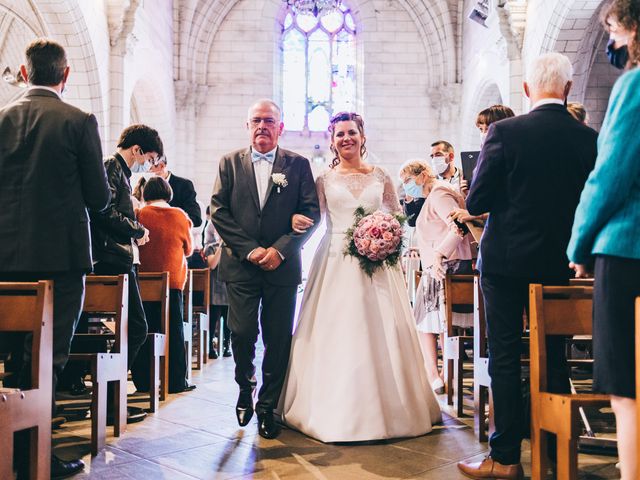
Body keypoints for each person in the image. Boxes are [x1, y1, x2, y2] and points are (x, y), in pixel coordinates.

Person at [457, 52, 598, 480]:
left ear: (526, 90)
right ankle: (552, 450)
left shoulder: (504, 132)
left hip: (504, 263)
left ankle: (505, 459)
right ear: (568, 89)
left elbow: (477, 202)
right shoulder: (588, 138)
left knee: (504, 354)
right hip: (559, 262)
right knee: (553, 354)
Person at [281, 112, 442, 443]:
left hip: (378, 265)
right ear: (333, 140)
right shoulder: (324, 178)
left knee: (381, 329)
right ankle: (334, 411)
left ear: (362, 136)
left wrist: (387, 237)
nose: (346, 139)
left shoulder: (380, 175)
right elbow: (316, 217)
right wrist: (296, 222)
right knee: (338, 328)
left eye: (351, 132)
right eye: (339, 134)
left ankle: (394, 408)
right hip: (335, 259)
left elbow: (396, 216)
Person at [0, 38, 110, 479]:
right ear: (66, 76)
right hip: (60, 260)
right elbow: (100, 199)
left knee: (8, 354)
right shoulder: (78, 120)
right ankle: (35, 454)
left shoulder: (1, 118)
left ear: (24, 74)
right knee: (47, 357)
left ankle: (8, 449)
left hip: (4, 258)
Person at [210, 99, 321, 439]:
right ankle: (246, 386)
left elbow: (311, 213)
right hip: (242, 267)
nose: (262, 126)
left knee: (277, 339)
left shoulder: (298, 165)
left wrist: (280, 250)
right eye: (256, 120)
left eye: (269, 120)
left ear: (280, 127)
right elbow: (218, 210)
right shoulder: (229, 163)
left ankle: (267, 406)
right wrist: (253, 250)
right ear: (247, 126)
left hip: (282, 268)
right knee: (242, 334)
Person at [567, 3, 640, 478]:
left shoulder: (634, 85)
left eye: (613, 29)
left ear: (634, 27)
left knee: (626, 382)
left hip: (627, 247)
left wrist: (578, 246)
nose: (611, 42)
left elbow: (609, 174)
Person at [89, 124, 163, 419]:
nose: (150, 165)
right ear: (137, 150)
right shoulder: (112, 166)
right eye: (150, 157)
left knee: (118, 330)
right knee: (135, 328)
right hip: (111, 259)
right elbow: (102, 210)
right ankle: (108, 401)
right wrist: (138, 228)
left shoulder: (120, 172)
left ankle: (108, 399)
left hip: (117, 259)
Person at [400, 160, 473, 394]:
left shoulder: (440, 192)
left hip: (445, 264)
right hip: (442, 263)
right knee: (436, 321)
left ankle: (437, 374)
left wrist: (441, 253)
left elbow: (458, 226)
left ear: (422, 176)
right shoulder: (436, 193)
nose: (407, 186)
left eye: (408, 180)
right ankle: (440, 374)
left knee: (430, 321)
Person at [134, 176, 195, 393]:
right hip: (172, 281)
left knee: (144, 329)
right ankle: (177, 381)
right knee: (174, 329)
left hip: (143, 281)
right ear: (168, 193)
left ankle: (143, 381)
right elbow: (189, 249)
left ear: (146, 194)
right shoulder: (180, 216)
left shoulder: (139, 214)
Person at [203, 210, 231, 359]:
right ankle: (210, 347)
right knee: (213, 319)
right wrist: (220, 245)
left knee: (228, 321)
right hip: (215, 288)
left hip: (228, 288)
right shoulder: (210, 247)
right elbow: (212, 264)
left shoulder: (231, 246)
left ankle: (227, 345)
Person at [150, 155, 202, 227]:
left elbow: (196, 218)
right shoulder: (145, 184)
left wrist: (169, 222)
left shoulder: (184, 185)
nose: (146, 172)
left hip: (174, 234)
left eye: (149, 169)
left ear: (161, 166)